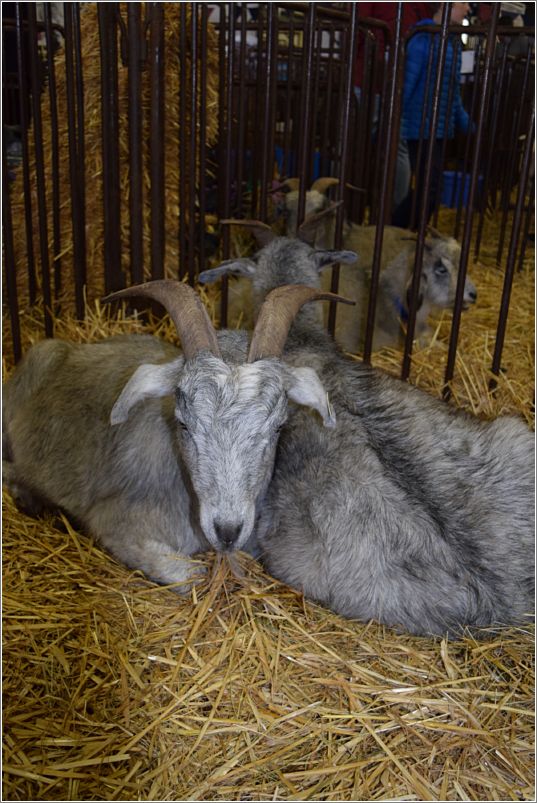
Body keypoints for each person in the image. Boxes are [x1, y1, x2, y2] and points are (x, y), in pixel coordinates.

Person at [392, 2, 472, 229]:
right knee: (431, 189)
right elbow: (406, 84)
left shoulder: (453, 43)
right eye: (463, 3)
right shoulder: (422, 38)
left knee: (431, 188)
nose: (467, 9)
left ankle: (404, 231)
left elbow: (453, 90)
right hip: (419, 126)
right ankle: (400, 230)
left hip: (438, 127)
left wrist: (465, 123)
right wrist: (394, 119)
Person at [352, 3, 430, 213]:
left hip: (368, 74)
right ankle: (390, 210)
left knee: (354, 142)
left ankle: (349, 205)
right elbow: (422, 25)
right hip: (398, 78)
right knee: (397, 144)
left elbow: (357, 27)